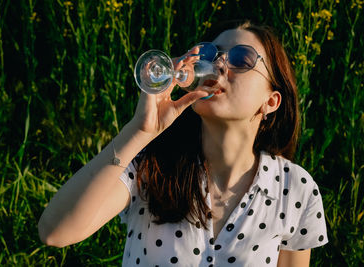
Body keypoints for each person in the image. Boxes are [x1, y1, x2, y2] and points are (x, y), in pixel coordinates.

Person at [38, 20, 328, 266]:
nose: (220, 64)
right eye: (212, 54)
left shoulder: (295, 190)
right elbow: (54, 232)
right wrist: (139, 132)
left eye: (241, 58)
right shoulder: (151, 168)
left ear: (271, 101)